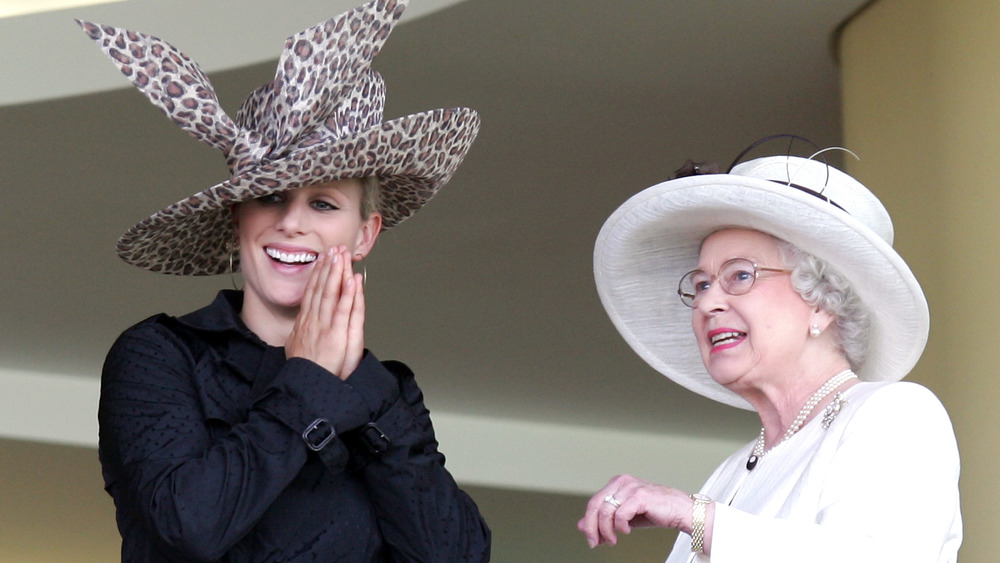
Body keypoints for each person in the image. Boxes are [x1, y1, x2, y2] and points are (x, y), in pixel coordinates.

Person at [80, 1, 490, 560]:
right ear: (237, 218)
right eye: (270, 197)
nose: (291, 222)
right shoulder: (160, 354)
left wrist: (359, 387)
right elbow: (188, 527)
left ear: (365, 235)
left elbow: (457, 556)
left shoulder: (388, 394)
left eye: (323, 203)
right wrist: (310, 378)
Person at [578, 139, 962, 562]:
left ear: (821, 299)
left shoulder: (895, 413)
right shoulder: (728, 475)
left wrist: (695, 515)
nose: (708, 303)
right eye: (702, 284)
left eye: (739, 275)